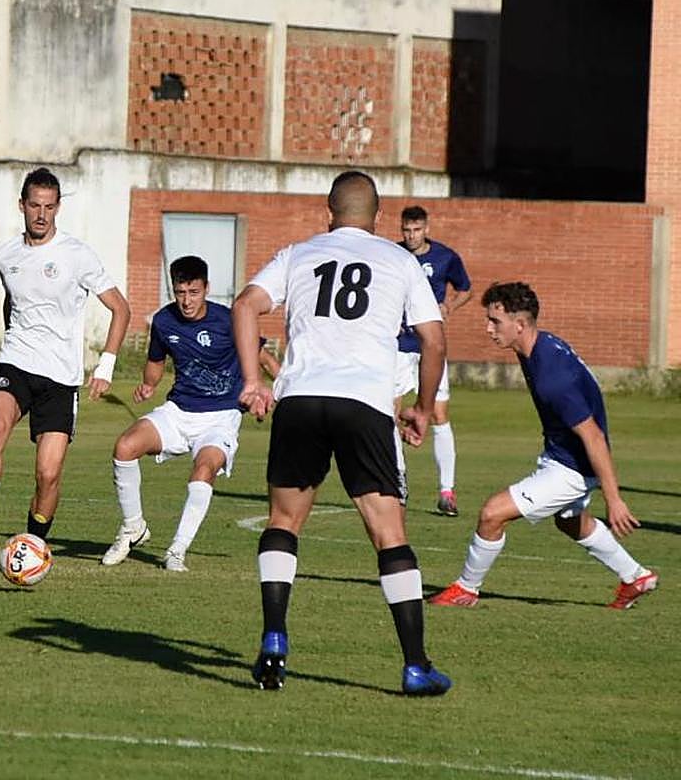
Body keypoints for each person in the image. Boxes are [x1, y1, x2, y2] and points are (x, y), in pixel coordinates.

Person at [232, 170, 452, 696]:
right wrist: (423, 408)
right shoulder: (399, 260)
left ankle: (275, 636)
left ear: (327, 213)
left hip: (301, 399)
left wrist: (253, 381)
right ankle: (416, 665)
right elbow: (434, 340)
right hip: (364, 405)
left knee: (284, 521)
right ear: (378, 217)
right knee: (389, 533)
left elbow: (244, 305)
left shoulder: (299, 253)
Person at [430, 282, 658, 610]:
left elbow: (593, 436)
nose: (488, 328)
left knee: (492, 514)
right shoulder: (542, 345)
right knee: (570, 521)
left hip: (572, 467)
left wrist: (614, 499)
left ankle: (466, 589)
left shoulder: (553, 377)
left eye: (495, 321)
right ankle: (636, 577)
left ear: (520, 325)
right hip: (563, 455)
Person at [0, 167, 131, 564]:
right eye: (35, 206)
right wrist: (12, 338)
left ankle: (32, 545)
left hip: (60, 377)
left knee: (48, 474)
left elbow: (121, 309)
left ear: (58, 208)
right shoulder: (5, 255)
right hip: (16, 362)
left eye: (49, 207)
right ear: (21, 205)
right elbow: (13, 301)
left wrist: (105, 367)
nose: (42, 215)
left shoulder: (77, 255)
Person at [100, 255, 280, 572]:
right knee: (125, 447)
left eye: (194, 292)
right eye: (180, 292)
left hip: (220, 418)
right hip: (178, 411)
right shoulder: (164, 321)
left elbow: (263, 358)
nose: (186, 301)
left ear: (206, 288)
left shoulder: (229, 320)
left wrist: (285, 392)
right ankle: (133, 527)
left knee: (204, 470)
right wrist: (148, 385)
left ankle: (176, 550)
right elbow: (156, 361)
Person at [393, 205, 472, 515]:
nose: (411, 236)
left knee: (440, 415)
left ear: (426, 229)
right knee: (389, 412)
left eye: (416, 230)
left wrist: (449, 307)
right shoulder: (393, 254)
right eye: (407, 230)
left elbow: (465, 289)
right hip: (398, 347)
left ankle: (447, 491)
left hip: (430, 347)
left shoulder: (444, 257)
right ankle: (397, 480)